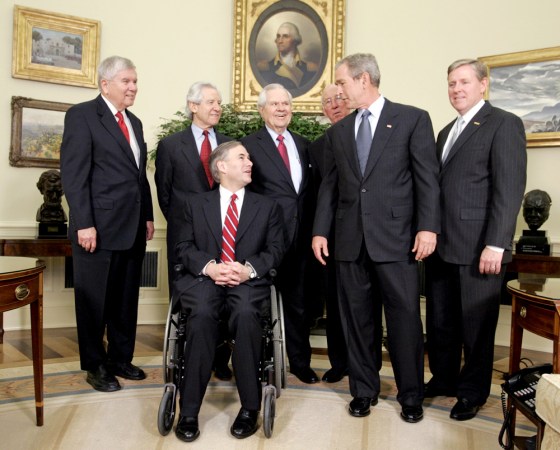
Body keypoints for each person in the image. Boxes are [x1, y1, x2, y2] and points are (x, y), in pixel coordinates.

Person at [312, 53, 440, 423]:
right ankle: (363, 391)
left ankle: (411, 395)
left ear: (364, 78)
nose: (338, 90)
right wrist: (321, 231)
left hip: (398, 240)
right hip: (350, 242)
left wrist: (428, 227)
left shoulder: (412, 119)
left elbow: (426, 178)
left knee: (404, 321)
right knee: (357, 321)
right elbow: (331, 187)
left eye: (342, 82)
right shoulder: (338, 131)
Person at [424, 58, 527, 421]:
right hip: (442, 247)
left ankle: (472, 392)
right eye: (451, 83)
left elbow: (509, 188)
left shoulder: (504, 124)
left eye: (464, 82)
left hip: (480, 247)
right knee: (441, 322)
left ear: (483, 84)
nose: (457, 89)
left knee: (477, 326)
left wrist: (497, 243)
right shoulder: (445, 131)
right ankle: (444, 379)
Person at [173, 141, 285, 442]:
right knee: (202, 315)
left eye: (249, 157)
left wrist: (247, 269)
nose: (250, 162)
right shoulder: (194, 204)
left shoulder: (267, 206)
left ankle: (250, 408)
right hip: (204, 281)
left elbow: (276, 250)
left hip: (247, 281)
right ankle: (189, 412)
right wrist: (209, 267)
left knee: (248, 315)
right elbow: (182, 247)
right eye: (242, 157)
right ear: (221, 166)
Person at [60, 55, 154, 392]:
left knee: (125, 298)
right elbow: (73, 174)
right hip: (96, 228)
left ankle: (120, 358)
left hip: (132, 226)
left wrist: (148, 215)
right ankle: (95, 366)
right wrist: (84, 222)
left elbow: (138, 175)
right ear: (105, 84)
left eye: (135, 81)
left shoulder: (136, 122)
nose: (133, 87)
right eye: (126, 82)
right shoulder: (82, 116)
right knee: (93, 300)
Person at [241, 83, 319, 384]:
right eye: (275, 104)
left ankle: (300, 363)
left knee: (298, 304)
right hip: (264, 241)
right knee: (259, 304)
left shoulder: (302, 143)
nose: (282, 109)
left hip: (300, 238)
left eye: (286, 103)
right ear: (262, 110)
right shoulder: (248, 144)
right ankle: (262, 363)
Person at [155, 81, 233, 380]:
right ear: (193, 106)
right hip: (186, 238)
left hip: (225, 235)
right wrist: (188, 225)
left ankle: (220, 359)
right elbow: (165, 196)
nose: (217, 108)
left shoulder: (229, 145)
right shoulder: (171, 145)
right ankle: (186, 360)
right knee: (188, 298)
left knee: (226, 293)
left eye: (219, 103)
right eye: (211, 102)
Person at [307, 84, 354, 383]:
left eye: (339, 98)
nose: (334, 105)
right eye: (327, 102)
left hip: (368, 235)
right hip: (333, 240)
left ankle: (366, 363)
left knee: (364, 305)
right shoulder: (317, 146)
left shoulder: (368, 133)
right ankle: (340, 363)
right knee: (336, 304)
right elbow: (319, 196)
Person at [258, 22, 317, 91]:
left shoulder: (309, 68)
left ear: (295, 40)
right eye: (278, 36)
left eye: (285, 36)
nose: (280, 41)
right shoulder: (265, 68)